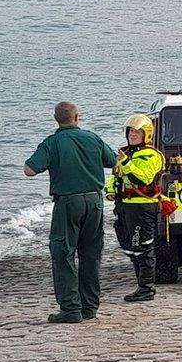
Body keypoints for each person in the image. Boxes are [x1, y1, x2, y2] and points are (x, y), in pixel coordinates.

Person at [24, 102, 117, 323]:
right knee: (91, 254)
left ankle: (71, 308)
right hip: (94, 201)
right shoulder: (92, 138)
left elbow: (29, 170)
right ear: (77, 117)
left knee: (63, 253)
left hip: (68, 202)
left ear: (56, 119)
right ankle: (90, 307)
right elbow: (113, 162)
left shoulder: (52, 143)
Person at [106, 114, 166, 302]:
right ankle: (141, 284)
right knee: (129, 246)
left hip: (142, 207)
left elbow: (143, 178)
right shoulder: (126, 153)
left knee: (143, 246)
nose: (133, 135)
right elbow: (116, 175)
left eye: (137, 132)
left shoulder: (151, 155)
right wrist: (109, 189)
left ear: (146, 134)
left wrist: (126, 163)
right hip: (124, 206)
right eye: (131, 131)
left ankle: (146, 288)